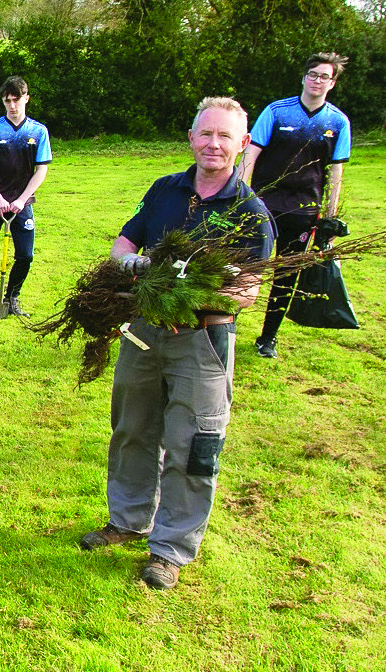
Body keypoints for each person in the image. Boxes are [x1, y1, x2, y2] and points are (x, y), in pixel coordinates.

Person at [80, 99, 274, 589]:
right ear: (190, 137)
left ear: (242, 144)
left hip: (202, 340)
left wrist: (209, 289)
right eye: (205, 134)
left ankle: (170, 548)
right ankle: (127, 520)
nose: (213, 144)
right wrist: (131, 265)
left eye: (225, 137)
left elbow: (249, 289)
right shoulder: (165, 190)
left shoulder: (250, 212)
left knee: (194, 446)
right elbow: (125, 242)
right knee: (132, 429)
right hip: (144, 332)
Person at [239, 53, 352, 360]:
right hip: (263, 206)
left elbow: (336, 172)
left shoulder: (338, 122)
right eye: (313, 74)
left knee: (286, 275)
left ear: (333, 83)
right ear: (304, 77)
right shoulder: (277, 112)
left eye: (324, 77)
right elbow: (251, 154)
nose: (317, 81)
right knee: (244, 266)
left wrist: (329, 218)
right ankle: (228, 323)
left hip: (303, 211)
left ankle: (268, 337)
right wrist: (240, 196)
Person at [0, 76, 52, 319]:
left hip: (22, 204)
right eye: (7, 101)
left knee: (25, 255)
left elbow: (41, 170)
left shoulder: (38, 131)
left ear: (26, 98)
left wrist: (22, 199)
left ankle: (12, 298)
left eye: (16, 100)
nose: (12, 106)